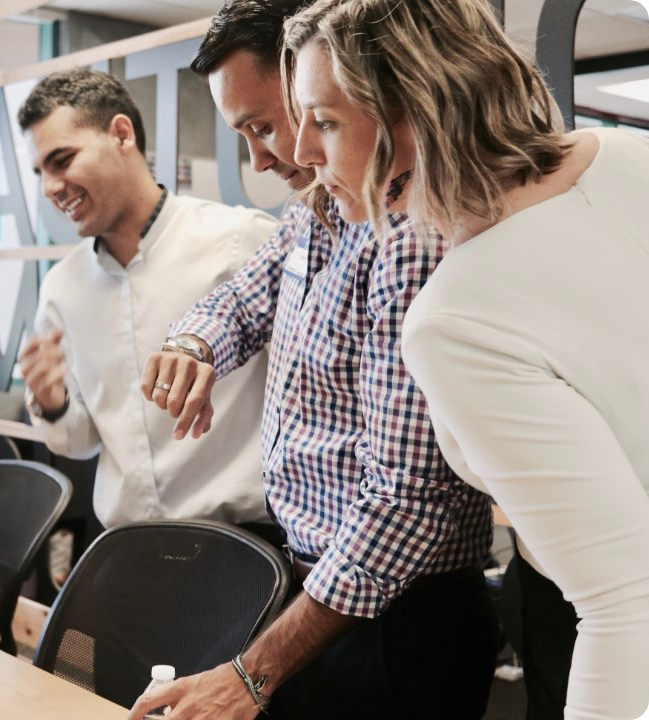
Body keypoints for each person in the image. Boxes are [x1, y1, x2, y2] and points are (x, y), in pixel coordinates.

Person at [276, 1, 649, 718]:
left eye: (323, 121)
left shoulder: (455, 319)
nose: (300, 153)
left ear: (415, 109)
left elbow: (627, 600)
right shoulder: (628, 155)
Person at [130, 2, 497, 718]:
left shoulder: (410, 236)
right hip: (319, 597)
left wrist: (253, 673)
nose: (266, 160)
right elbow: (241, 298)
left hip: (397, 620)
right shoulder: (315, 215)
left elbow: (404, 504)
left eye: (267, 126)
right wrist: (191, 345)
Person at [16, 69, 280, 537]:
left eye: (62, 160)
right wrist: (51, 402)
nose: (50, 188)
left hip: (245, 542)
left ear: (122, 134)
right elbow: (78, 441)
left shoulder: (242, 241)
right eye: (41, 173)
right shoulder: (62, 286)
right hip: (127, 548)